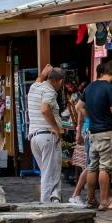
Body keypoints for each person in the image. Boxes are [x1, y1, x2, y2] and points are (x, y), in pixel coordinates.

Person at [73, 58, 112, 210]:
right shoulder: (110, 88)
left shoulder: (90, 87)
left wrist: (91, 116)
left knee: (92, 167)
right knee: (105, 168)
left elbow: (78, 106)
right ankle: (105, 200)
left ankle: (91, 199)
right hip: (107, 131)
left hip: (93, 132)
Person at [25, 67, 68, 203]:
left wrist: (42, 74)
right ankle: (46, 205)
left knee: (49, 173)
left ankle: (55, 200)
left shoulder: (35, 87)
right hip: (47, 135)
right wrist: (55, 128)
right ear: (60, 81)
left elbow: (39, 79)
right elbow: (45, 109)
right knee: (49, 175)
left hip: (35, 137)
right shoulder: (49, 91)